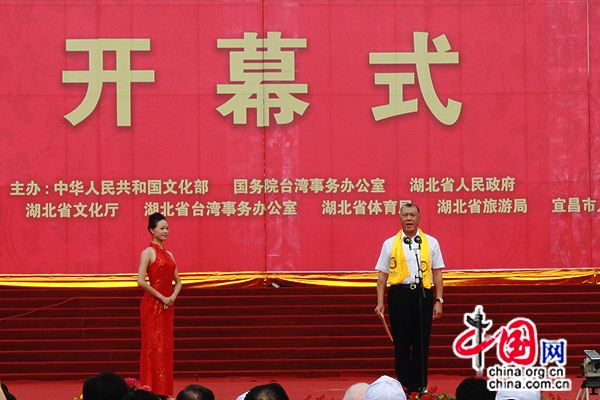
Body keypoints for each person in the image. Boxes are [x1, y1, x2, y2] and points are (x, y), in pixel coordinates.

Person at [374, 203, 444, 395]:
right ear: (400, 218)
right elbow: (382, 277)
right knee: (402, 344)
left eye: (413, 215)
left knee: (421, 343)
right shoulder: (389, 244)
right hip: (399, 295)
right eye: (405, 215)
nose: (409, 218)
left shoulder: (431, 242)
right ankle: (404, 386)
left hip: (423, 294)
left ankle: (420, 386)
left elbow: (437, 274)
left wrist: (439, 300)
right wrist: (380, 302)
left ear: (419, 218)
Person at [138, 212, 183, 398]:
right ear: (152, 230)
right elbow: (140, 281)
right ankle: (150, 391)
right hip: (153, 305)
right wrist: (162, 297)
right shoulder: (147, 253)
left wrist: (172, 296)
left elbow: (179, 281)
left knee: (165, 349)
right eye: (161, 228)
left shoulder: (170, 254)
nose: (165, 231)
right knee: (152, 348)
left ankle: (164, 391)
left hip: (167, 306)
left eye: (167, 228)